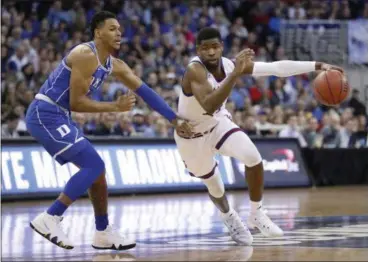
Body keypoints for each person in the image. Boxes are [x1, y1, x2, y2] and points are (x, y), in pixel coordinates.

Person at [26, 11, 192, 251]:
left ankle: (102, 232)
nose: (119, 33)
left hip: (60, 116)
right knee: (94, 165)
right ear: (97, 32)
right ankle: (51, 217)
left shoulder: (114, 64)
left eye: (120, 30)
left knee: (98, 175)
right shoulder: (84, 54)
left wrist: (173, 118)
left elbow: (145, 92)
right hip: (45, 112)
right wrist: (115, 106)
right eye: (112, 29)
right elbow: (76, 102)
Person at [174, 27, 344, 245]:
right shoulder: (194, 71)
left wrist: (318, 65)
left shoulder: (227, 64)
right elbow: (209, 104)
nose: (211, 52)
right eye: (205, 48)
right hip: (192, 136)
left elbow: (276, 68)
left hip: (218, 125)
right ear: (198, 49)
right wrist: (236, 73)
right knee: (215, 186)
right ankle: (229, 216)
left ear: (221, 47)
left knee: (253, 157)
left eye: (215, 46)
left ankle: (256, 213)